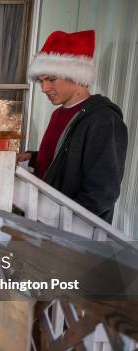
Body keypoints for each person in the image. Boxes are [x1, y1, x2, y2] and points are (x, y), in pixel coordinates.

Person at [19, 30, 127, 223]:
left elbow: (102, 192)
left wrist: (61, 223)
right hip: (44, 224)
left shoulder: (104, 120)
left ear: (76, 76)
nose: (44, 88)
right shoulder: (58, 114)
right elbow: (64, 158)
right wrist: (34, 158)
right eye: (41, 81)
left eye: (51, 79)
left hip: (72, 235)